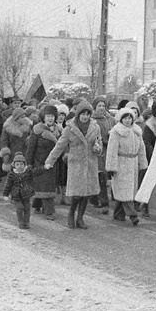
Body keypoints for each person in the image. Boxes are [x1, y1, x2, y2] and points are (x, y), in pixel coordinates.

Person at [45, 101, 102, 230]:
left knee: (86, 193)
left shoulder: (95, 127)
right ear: (78, 114)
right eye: (83, 114)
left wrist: (98, 148)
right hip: (76, 164)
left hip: (90, 163)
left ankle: (80, 218)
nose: (85, 117)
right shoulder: (70, 128)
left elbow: (99, 144)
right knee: (77, 194)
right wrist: (50, 161)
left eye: (88, 114)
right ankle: (71, 214)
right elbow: (60, 146)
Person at [105, 107, 148, 226]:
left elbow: (141, 148)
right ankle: (133, 215)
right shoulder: (116, 132)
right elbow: (111, 151)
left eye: (130, 118)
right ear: (121, 119)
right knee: (124, 191)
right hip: (121, 163)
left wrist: (143, 163)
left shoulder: (136, 131)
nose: (128, 120)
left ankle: (118, 213)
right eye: (125, 118)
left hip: (133, 163)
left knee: (127, 191)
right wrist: (111, 167)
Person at [25, 105, 61, 220]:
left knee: (44, 186)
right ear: (43, 117)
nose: (50, 118)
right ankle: (49, 212)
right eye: (48, 116)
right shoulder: (37, 130)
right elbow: (30, 149)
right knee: (46, 187)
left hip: (54, 163)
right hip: (40, 163)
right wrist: (28, 164)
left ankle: (37, 204)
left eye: (52, 116)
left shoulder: (59, 130)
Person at [3, 152, 46, 230]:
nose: (20, 166)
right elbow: (8, 185)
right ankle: (20, 221)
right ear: (14, 165)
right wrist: (6, 194)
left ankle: (26, 222)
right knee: (20, 207)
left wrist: (44, 168)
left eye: (21, 164)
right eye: (17, 164)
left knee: (27, 208)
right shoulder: (12, 175)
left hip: (26, 194)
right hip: (16, 195)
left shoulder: (28, 172)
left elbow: (37, 171)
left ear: (24, 164)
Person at [140, 99, 156, 218]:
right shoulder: (149, 125)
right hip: (152, 157)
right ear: (155, 112)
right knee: (149, 182)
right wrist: (153, 155)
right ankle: (145, 206)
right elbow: (146, 142)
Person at [91, 96, 115, 215]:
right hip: (99, 150)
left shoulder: (111, 118)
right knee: (99, 175)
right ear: (95, 107)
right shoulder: (93, 119)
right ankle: (102, 201)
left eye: (103, 106)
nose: (101, 108)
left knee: (105, 175)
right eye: (99, 105)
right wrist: (105, 141)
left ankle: (99, 198)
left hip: (110, 150)